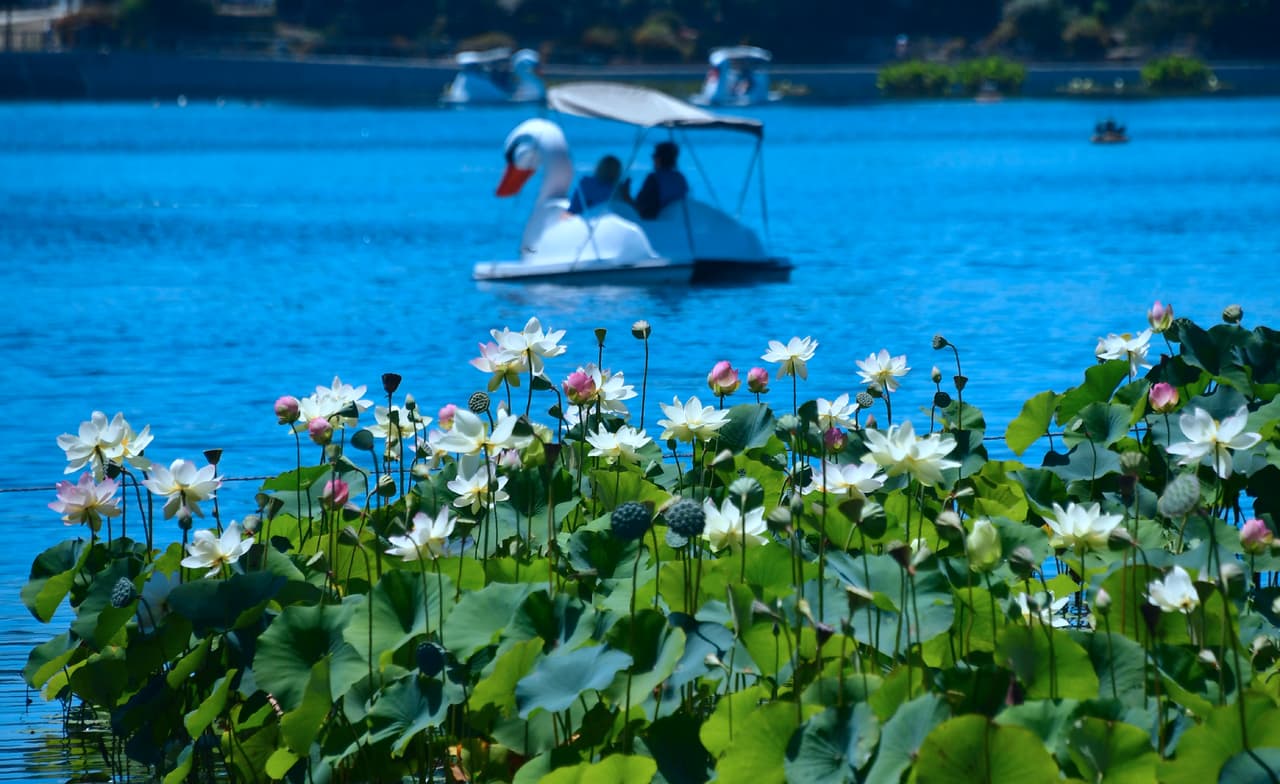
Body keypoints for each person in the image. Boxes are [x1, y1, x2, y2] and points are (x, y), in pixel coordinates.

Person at [623, 141, 689, 220]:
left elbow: (640, 208)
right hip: (677, 224)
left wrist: (626, 194)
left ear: (658, 159)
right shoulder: (680, 178)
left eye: (653, 156)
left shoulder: (654, 179)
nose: (652, 159)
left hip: (657, 226)